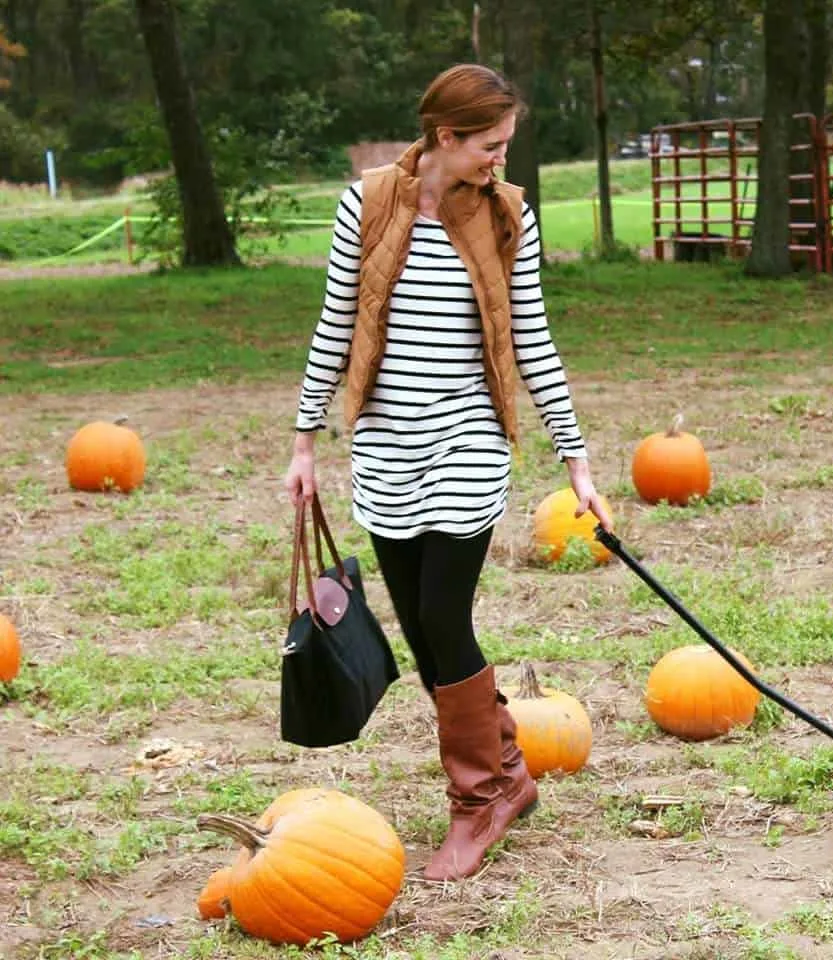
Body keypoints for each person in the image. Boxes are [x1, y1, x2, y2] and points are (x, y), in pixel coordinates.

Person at [283, 63, 612, 882]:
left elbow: (530, 337)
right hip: (384, 444)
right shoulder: (369, 202)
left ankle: (479, 801)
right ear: (443, 136)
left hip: (468, 438)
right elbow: (336, 318)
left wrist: (576, 457)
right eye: (488, 146)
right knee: (421, 629)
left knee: (443, 615)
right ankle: (506, 772)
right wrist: (303, 440)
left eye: (506, 145)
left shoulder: (507, 215)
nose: (500, 160)